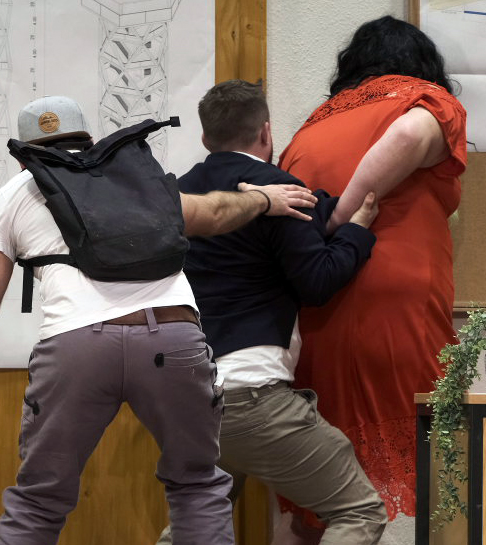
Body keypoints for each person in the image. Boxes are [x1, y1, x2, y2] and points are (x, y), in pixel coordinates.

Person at [0, 95, 315, 545]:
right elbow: (213, 212)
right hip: (174, 340)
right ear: (90, 140)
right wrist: (263, 199)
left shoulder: (16, 194)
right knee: (197, 486)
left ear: (24, 158)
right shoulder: (136, 179)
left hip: (77, 348)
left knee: (38, 502)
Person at [157, 79, 387, 545]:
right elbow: (317, 281)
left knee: (194, 525)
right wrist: (358, 230)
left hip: (184, 394)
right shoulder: (277, 190)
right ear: (266, 132)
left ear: (205, 137)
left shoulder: (177, 196)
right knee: (359, 510)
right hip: (250, 392)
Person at [278, 16, 467, 545]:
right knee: (445, 469)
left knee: (326, 497)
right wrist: (343, 219)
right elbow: (408, 133)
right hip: (397, 305)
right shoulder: (427, 101)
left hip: (319, 309)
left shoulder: (311, 128)